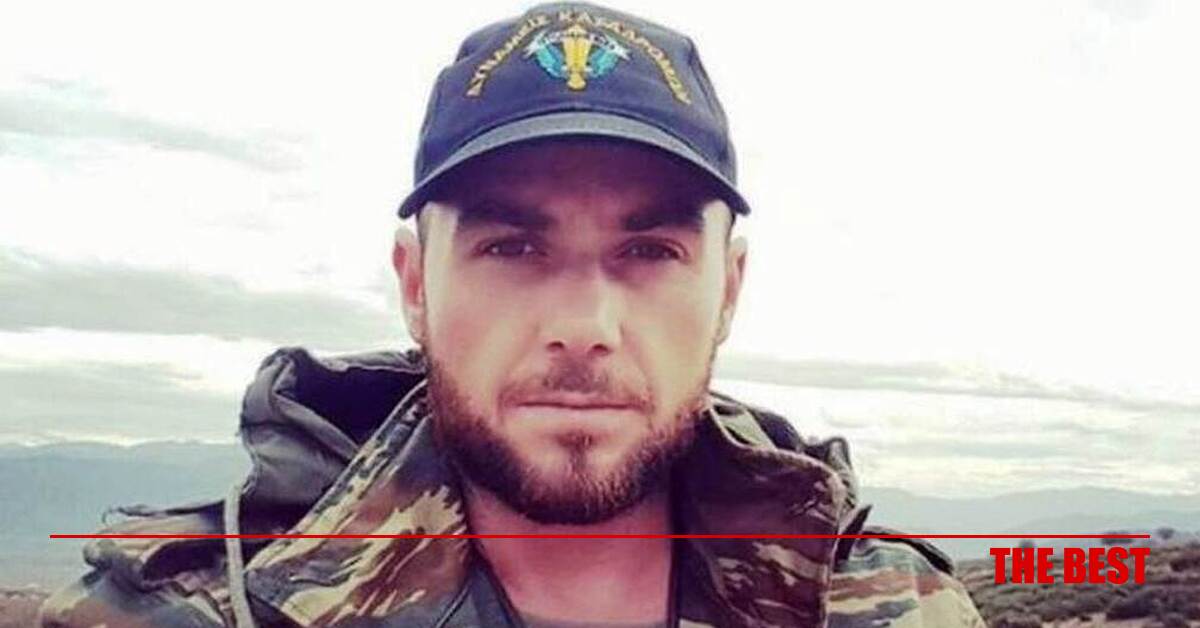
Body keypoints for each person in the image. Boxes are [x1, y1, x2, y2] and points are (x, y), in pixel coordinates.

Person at [40, 3, 985, 626]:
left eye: (650, 252)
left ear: (728, 291)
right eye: (512, 248)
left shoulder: (891, 608)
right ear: (415, 284)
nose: (585, 325)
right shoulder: (183, 612)